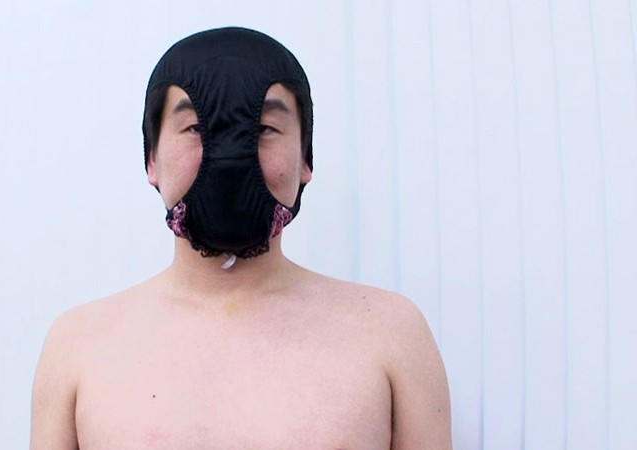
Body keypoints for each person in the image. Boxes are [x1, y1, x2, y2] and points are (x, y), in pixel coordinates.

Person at [30, 27, 451, 449]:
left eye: (266, 128)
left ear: (305, 158)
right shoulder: (79, 346)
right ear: (152, 159)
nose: (231, 158)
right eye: (194, 127)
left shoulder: (390, 335)